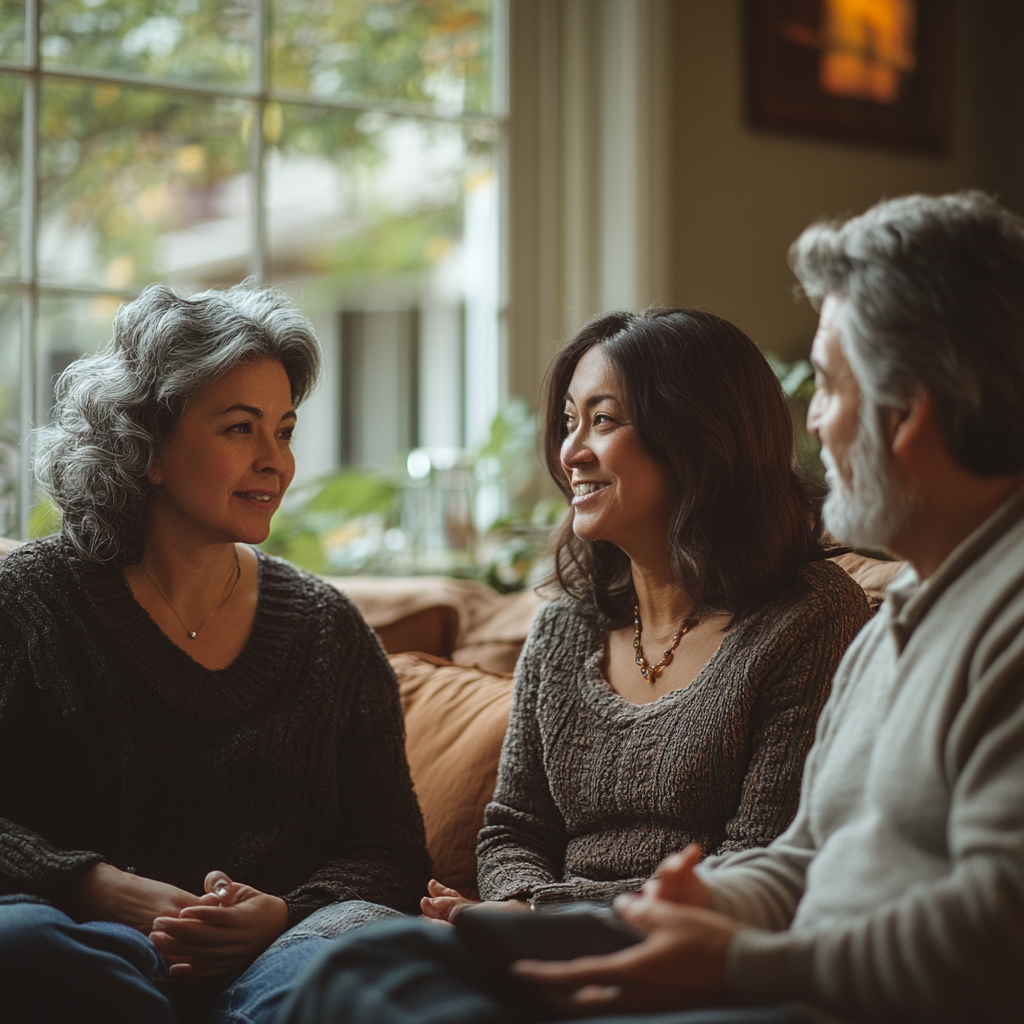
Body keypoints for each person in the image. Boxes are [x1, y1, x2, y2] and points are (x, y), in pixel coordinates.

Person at [275, 191, 1024, 1024]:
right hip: (730, 955)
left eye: (831, 389)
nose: (812, 426)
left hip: (797, 993)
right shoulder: (910, 612)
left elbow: (997, 935)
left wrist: (735, 959)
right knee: (365, 964)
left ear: (911, 410)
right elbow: (803, 855)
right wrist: (691, 911)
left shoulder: (949, 621)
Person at [274, 306, 868, 1022]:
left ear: (698, 436)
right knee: (347, 959)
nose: (570, 452)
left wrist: (540, 915)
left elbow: (761, 862)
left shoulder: (811, 617)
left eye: (604, 421)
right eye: (568, 422)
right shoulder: (563, 625)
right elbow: (512, 829)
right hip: (534, 937)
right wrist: (519, 910)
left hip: (681, 958)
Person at [0, 283, 432, 1024]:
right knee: (17, 943)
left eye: (285, 430)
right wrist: (94, 885)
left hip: (283, 957)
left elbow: (389, 850)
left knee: (365, 958)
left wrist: (283, 913)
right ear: (147, 447)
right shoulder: (26, 603)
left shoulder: (330, 631)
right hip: (82, 941)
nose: (276, 462)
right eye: (240, 429)